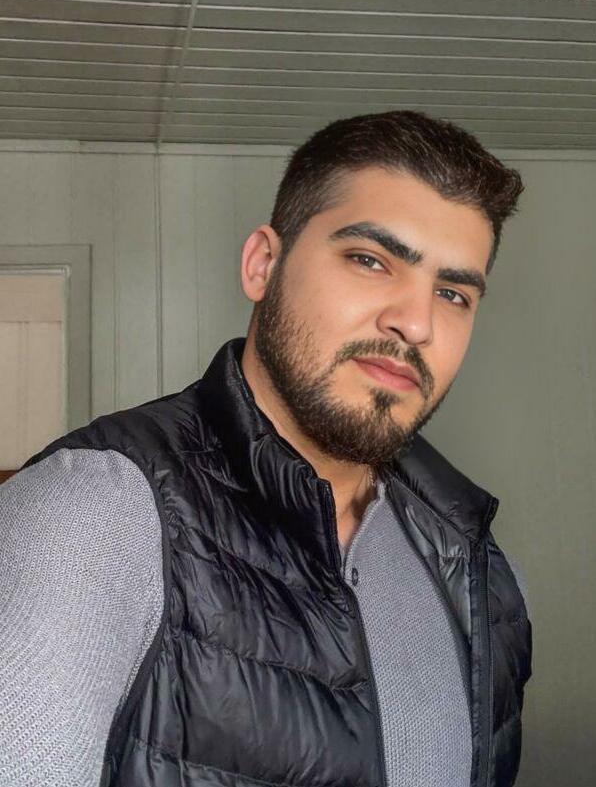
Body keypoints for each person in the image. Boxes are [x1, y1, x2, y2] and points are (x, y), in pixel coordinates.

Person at [0, 110, 532, 787]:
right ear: (262, 264)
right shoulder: (92, 514)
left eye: (453, 293)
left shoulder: (481, 566)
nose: (416, 322)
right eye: (371, 261)